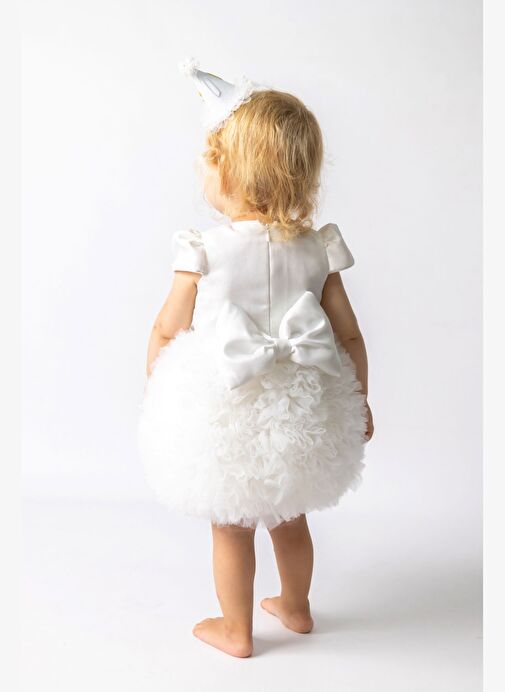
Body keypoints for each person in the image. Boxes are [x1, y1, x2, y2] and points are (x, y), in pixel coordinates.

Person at [137, 58, 374, 658]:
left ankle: (236, 629)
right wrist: (362, 401)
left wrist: (157, 389)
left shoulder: (204, 250)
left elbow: (167, 328)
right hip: (301, 409)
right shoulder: (317, 250)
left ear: (229, 171)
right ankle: (296, 606)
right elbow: (349, 337)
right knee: (290, 516)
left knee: (231, 524)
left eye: (209, 158)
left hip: (225, 405)